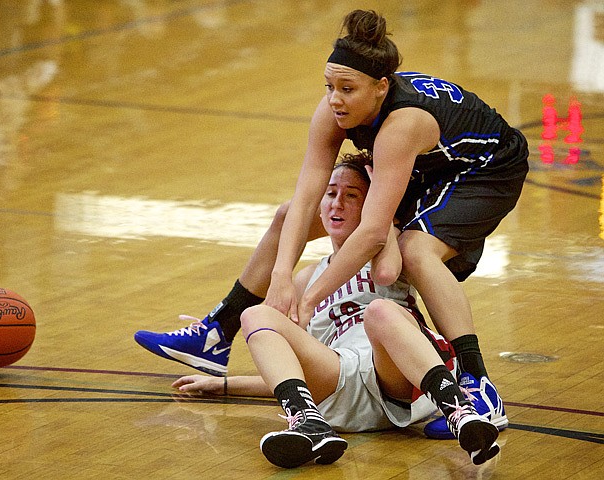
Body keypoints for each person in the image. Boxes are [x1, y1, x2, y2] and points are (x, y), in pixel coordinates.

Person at [135, 9, 528, 439]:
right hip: (424, 169)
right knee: (287, 216)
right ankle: (217, 333)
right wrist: (283, 275)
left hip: (486, 169)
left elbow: (375, 232)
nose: (335, 99)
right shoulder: (334, 110)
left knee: (415, 249)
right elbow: (306, 199)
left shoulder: (402, 123)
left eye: (346, 89)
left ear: (381, 88)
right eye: (329, 87)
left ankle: (478, 385)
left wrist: (308, 300)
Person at [170, 155, 500, 469]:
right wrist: (226, 385)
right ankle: (307, 421)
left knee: (380, 311)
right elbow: (294, 368)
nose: (336, 203)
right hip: (338, 384)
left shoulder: (392, 250)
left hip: (394, 378)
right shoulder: (306, 278)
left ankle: (458, 410)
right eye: (330, 193)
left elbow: (384, 272)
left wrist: (382, 204)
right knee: (254, 315)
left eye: (352, 195)